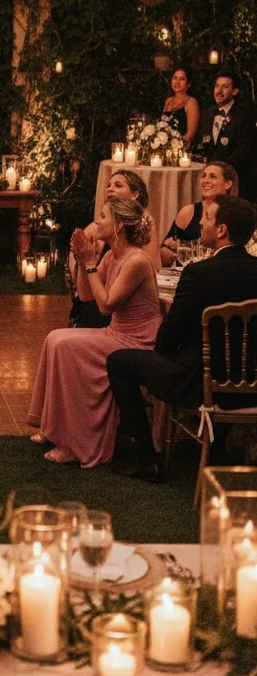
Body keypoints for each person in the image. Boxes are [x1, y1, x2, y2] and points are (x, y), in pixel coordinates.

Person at [107, 195, 257, 481]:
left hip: (197, 383)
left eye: (208, 218)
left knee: (118, 362)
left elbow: (167, 337)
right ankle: (218, 449)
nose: (200, 222)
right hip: (251, 383)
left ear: (222, 229)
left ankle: (148, 459)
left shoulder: (198, 273)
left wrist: (171, 353)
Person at [27, 197, 161, 468]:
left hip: (137, 341)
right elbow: (87, 295)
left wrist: (89, 262)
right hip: (116, 334)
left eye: (103, 216)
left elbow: (105, 306)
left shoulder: (136, 260)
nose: (97, 221)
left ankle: (79, 444)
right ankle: (56, 429)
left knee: (66, 347)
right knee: (55, 338)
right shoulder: (112, 254)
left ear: (119, 225)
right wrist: (81, 260)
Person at [69, 170, 161, 328]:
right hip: (99, 299)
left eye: (118, 185)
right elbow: (84, 291)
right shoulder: (109, 252)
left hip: (123, 312)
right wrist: (83, 261)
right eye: (109, 185)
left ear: (135, 195)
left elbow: (154, 266)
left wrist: (91, 264)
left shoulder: (141, 243)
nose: (110, 189)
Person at [160, 160, 238, 266]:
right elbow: (165, 251)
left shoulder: (236, 213)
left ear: (228, 184)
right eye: (204, 176)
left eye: (213, 177)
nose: (205, 180)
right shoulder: (188, 212)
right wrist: (168, 252)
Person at [196, 71, 257, 201]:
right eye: (217, 86)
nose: (219, 90)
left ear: (234, 91)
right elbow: (203, 143)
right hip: (210, 180)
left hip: (235, 180)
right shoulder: (208, 113)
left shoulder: (243, 115)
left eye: (225, 87)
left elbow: (244, 150)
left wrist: (221, 168)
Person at [162, 65, 200, 144]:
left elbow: (190, 135)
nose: (177, 82)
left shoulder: (191, 102)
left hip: (182, 149)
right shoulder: (168, 100)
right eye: (175, 78)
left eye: (182, 79)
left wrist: (177, 147)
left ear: (188, 84)